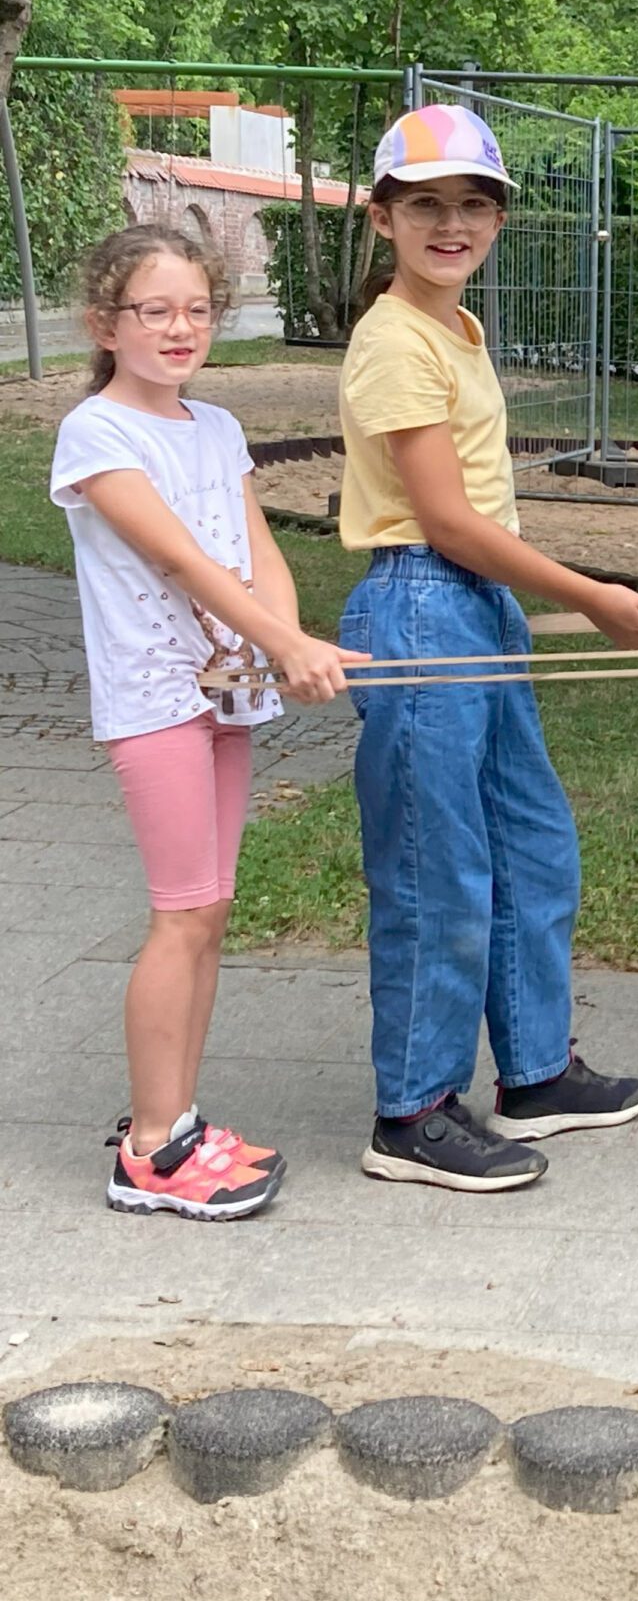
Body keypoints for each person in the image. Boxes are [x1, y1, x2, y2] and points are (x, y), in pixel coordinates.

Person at [338, 105, 638, 1191]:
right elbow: (444, 520)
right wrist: (594, 597)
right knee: (439, 869)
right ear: (383, 216)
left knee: (532, 845)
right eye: (425, 204)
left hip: (477, 611)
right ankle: (414, 1109)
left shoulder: (457, 331)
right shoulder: (393, 339)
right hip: (422, 605)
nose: (453, 223)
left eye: (474, 204)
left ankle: (532, 1071)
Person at [50, 225, 362, 1218]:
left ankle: (174, 1121)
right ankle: (152, 1150)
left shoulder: (217, 428)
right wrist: (281, 640)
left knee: (212, 910)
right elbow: (182, 559)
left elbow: (253, 546)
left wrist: (285, 635)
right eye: (155, 310)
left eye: (196, 309)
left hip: (223, 694)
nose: (180, 328)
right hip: (155, 704)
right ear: (107, 323)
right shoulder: (97, 434)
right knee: (181, 913)